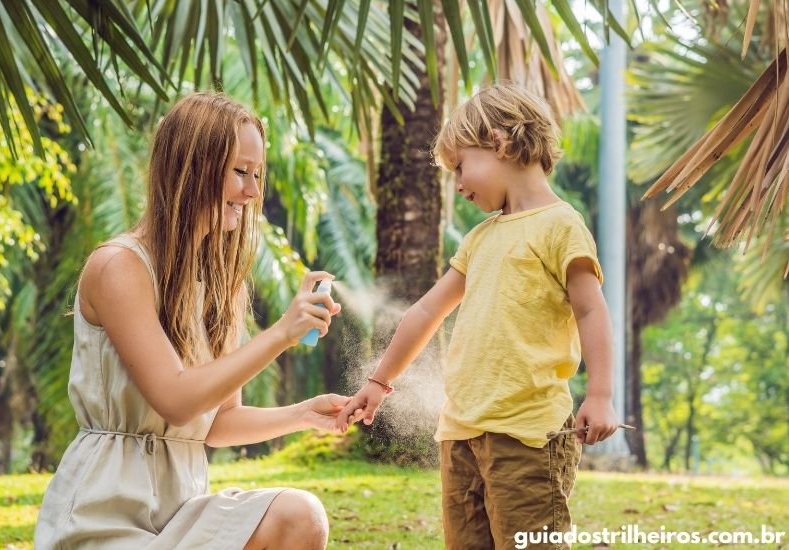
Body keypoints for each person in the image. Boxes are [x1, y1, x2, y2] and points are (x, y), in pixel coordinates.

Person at [35, 92, 355, 549]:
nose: (252, 190)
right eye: (240, 171)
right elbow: (177, 401)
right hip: (103, 516)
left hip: (181, 513)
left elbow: (218, 421)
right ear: (192, 166)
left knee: (300, 516)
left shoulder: (217, 282)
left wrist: (304, 414)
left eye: (257, 174)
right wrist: (281, 334)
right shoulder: (119, 267)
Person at [336, 84, 620, 549]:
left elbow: (591, 310)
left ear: (499, 142)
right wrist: (379, 382)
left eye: (461, 167)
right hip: (461, 434)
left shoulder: (561, 226)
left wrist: (602, 394)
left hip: (529, 437)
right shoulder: (480, 238)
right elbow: (426, 310)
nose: (460, 185)